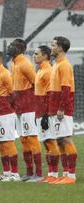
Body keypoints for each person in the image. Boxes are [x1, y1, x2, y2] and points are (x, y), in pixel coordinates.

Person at [8, 39, 42, 181]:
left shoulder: (25, 64)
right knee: (23, 140)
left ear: (19, 48)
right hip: (19, 108)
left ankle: (38, 174)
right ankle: (29, 172)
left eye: (12, 46)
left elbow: (36, 83)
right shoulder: (13, 64)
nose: (9, 47)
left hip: (28, 107)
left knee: (32, 138)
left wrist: (33, 104)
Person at [47, 36, 77, 184]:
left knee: (65, 139)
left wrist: (61, 108)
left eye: (53, 45)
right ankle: (65, 173)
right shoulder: (57, 65)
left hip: (62, 110)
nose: (51, 47)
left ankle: (71, 176)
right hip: (54, 109)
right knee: (59, 141)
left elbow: (66, 89)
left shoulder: (64, 65)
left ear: (60, 48)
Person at [0, 51, 20, 181]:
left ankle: (15, 174)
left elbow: (13, 94)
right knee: (0, 143)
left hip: (5, 114)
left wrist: (11, 109)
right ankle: (6, 173)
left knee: (7, 142)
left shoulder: (5, 74)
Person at [33, 45, 60, 183]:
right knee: (46, 143)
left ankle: (54, 175)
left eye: (37, 53)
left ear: (45, 56)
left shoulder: (48, 71)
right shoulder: (40, 70)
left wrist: (45, 115)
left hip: (46, 114)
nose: (34, 55)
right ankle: (51, 173)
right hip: (39, 113)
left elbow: (50, 94)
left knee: (51, 141)